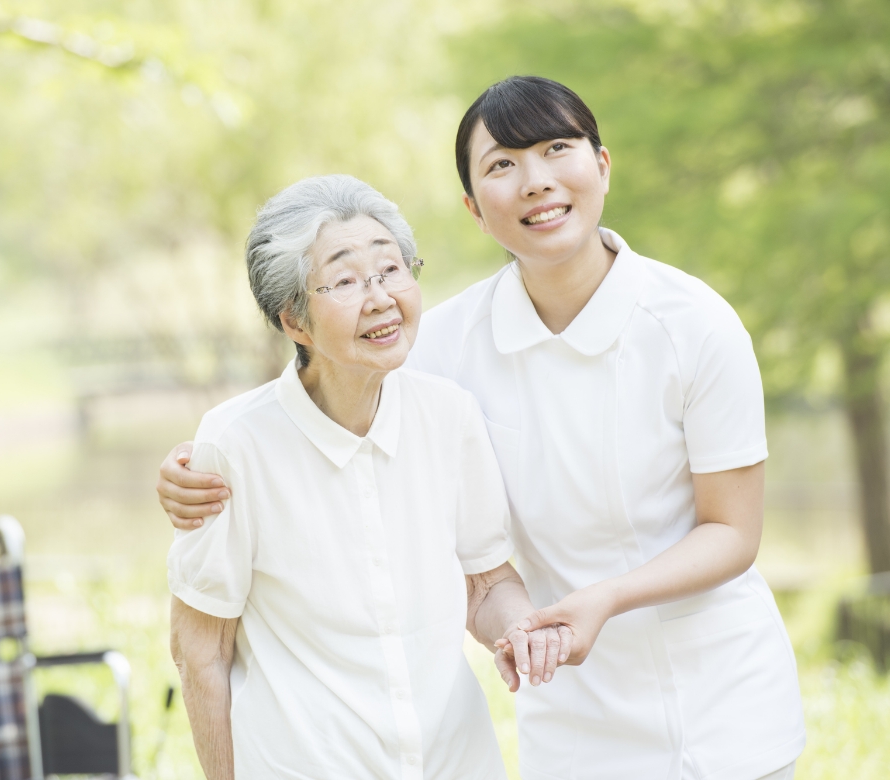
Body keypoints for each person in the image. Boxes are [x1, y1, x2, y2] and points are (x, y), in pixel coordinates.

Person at [158, 77, 806, 780]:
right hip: (567, 705)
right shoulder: (444, 343)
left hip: (720, 703)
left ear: (603, 165)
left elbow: (734, 532)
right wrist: (192, 467)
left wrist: (606, 597)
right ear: (473, 208)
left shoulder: (695, 325)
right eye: (502, 165)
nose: (536, 181)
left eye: (558, 149)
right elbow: (333, 387)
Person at [168, 174, 568, 780]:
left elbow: (484, 583)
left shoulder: (448, 413)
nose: (380, 297)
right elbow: (201, 651)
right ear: (294, 323)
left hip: (454, 763)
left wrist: (519, 629)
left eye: (391, 270)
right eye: (347, 281)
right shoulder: (234, 444)